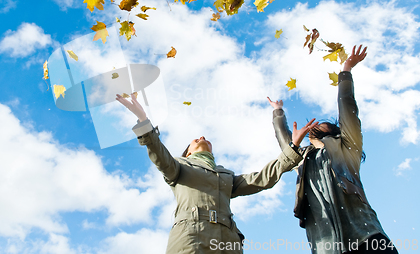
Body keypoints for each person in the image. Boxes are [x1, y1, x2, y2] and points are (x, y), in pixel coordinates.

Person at [116, 93, 318, 254]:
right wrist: (143, 120)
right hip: (191, 238)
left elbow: (263, 178)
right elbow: (158, 153)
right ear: (188, 152)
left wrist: (293, 146)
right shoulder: (178, 167)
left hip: (228, 241)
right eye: (196, 139)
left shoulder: (226, 176)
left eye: (204, 138)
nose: (202, 137)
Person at [268, 45, 398, 254]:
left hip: (366, 236)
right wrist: (277, 112)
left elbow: (347, 107)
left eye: (324, 123)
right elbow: (285, 144)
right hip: (327, 246)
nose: (317, 123)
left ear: (336, 131)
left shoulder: (348, 148)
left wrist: (345, 72)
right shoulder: (302, 158)